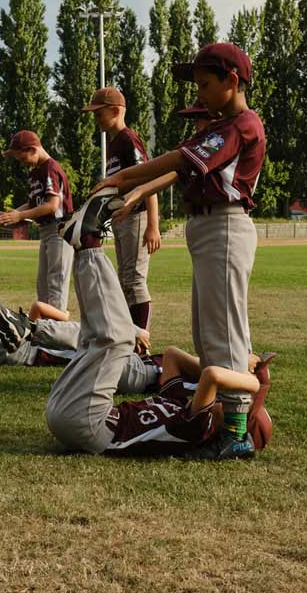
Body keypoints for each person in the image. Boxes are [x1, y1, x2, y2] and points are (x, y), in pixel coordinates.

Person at [95, 42, 265, 459]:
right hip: (208, 225)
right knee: (209, 333)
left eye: (206, 85)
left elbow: (178, 161)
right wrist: (135, 189)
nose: (199, 94)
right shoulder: (222, 124)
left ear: (232, 80)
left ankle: (237, 433)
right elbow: (177, 169)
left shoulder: (239, 124)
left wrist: (124, 179)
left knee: (222, 333)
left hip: (224, 224)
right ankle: (223, 414)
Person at [86, 87, 162, 332]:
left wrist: (153, 226)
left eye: (99, 113)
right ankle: (131, 336)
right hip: (121, 218)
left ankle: (142, 341)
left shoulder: (128, 138)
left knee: (134, 281)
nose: (96, 118)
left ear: (116, 111)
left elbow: (150, 178)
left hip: (137, 215)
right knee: (125, 281)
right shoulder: (114, 141)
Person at [0, 130, 75, 311]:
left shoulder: (49, 167)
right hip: (47, 232)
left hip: (59, 230)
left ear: (33, 149)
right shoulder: (35, 172)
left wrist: (19, 216)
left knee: (55, 284)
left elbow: (52, 205)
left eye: (22, 158)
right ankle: (46, 326)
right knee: (43, 285)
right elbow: (32, 204)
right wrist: (8, 215)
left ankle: (56, 331)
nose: (21, 162)